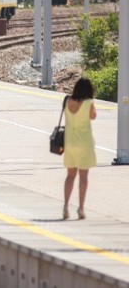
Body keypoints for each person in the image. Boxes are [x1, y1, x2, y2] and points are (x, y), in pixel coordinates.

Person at [63, 77, 97, 220]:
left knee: (70, 176)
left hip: (70, 142)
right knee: (83, 177)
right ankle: (81, 208)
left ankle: (65, 206)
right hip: (84, 143)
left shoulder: (67, 101)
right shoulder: (89, 103)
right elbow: (93, 117)